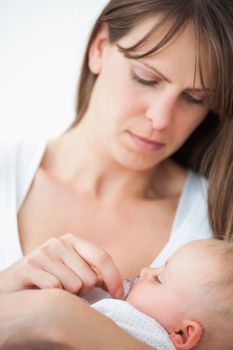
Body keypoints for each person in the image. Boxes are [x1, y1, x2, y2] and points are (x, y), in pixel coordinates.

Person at [0, 0, 233, 348]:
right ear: (98, 49)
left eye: (195, 98)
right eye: (146, 78)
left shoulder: (217, 227)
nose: (160, 118)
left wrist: (63, 319)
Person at [93, 239, 233, 350]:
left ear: (182, 334)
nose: (145, 271)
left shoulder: (124, 319)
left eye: (158, 278)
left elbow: (72, 318)